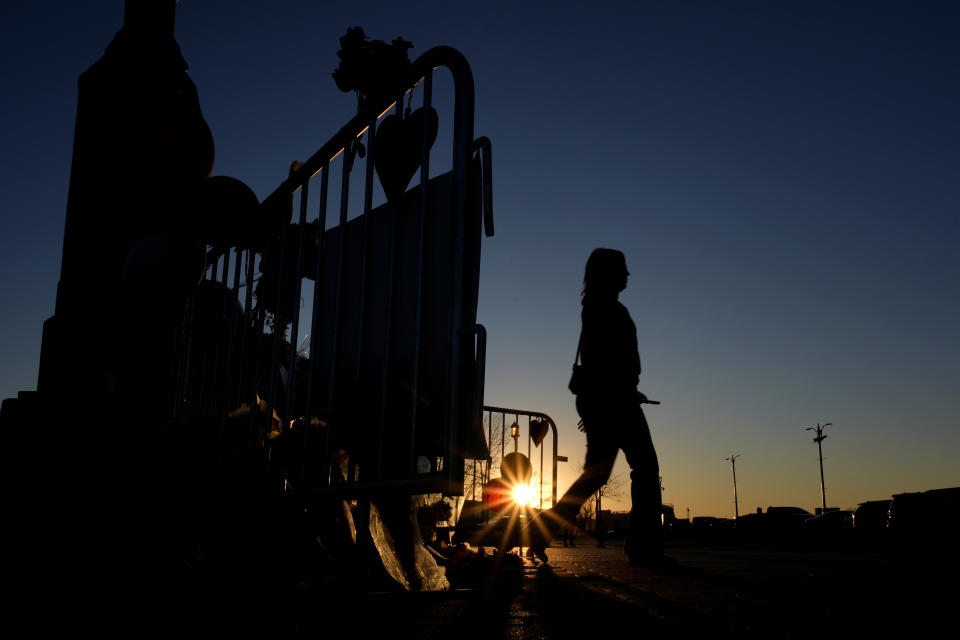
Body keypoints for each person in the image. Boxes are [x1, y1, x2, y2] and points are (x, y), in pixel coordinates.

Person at [526, 248, 673, 569]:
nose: (628, 275)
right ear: (608, 274)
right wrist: (620, 395)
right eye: (622, 269)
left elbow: (603, 363)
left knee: (596, 476)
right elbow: (602, 362)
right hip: (617, 402)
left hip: (613, 400)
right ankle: (644, 550)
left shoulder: (598, 307)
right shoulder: (603, 309)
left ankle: (539, 532)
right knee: (645, 470)